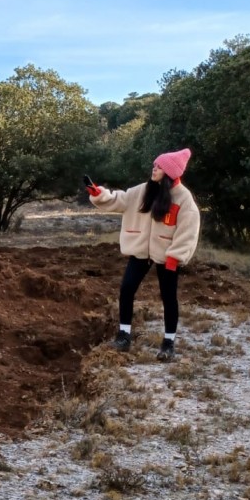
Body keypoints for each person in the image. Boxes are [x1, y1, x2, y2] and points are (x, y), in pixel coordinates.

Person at [88, 148, 200, 362]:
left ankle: (168, 343)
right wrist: (98, 194)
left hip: (168, 255)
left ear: (169, 172)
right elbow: (119, 199)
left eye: (159, 166)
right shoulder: (143, 190)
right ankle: (124, 335)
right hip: (140, 251)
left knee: (169, 298)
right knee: (127, 288)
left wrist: (175, 256)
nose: (154, 168)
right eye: (154, 165)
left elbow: (189, 230)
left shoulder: (184, 198)